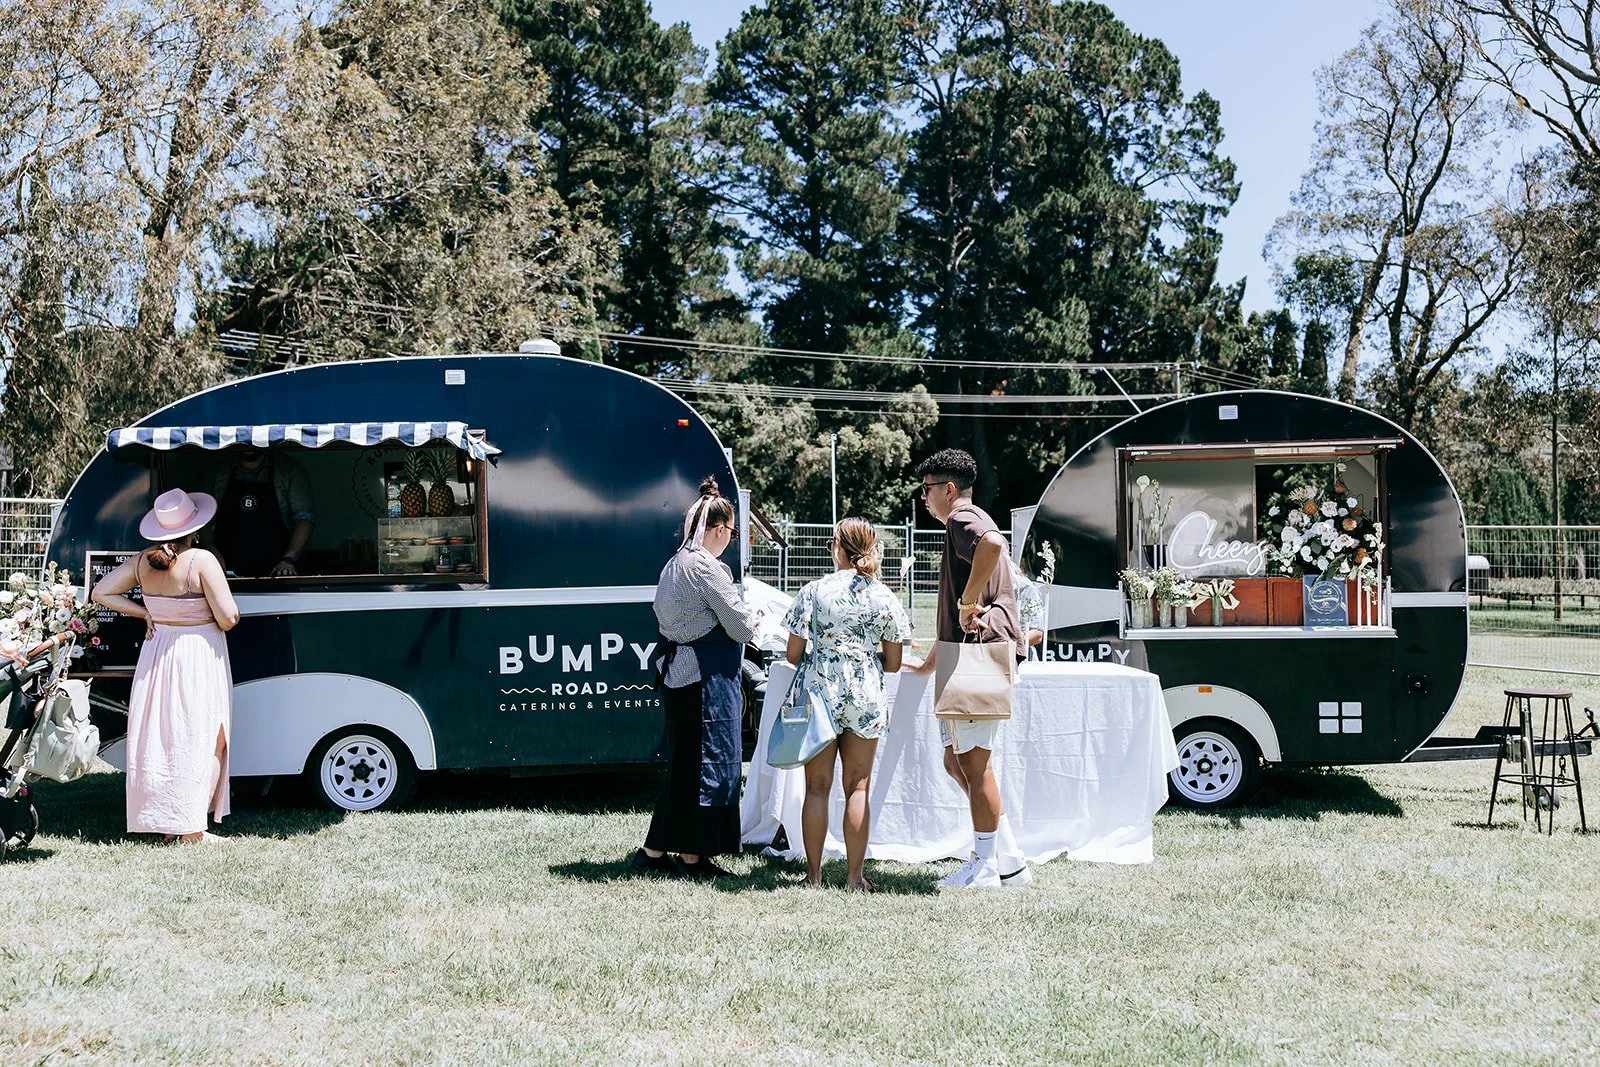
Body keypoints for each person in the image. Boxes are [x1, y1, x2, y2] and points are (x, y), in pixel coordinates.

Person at [908, 448, 1031, 889]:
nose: (923, 498)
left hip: (979, 656)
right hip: (969, 655)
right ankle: (1010, 858)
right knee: (954, 761)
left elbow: (995, 543)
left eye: (926, 490)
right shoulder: (962, 522)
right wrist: (927, 664)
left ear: (949, 489)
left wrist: (967, 603)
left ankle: (984, 865)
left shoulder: (963, 517)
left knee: (974, 765)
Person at [93, 488, 240, 843]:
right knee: (204, 735)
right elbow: (229, 617)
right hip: (198, 652)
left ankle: (167, 825)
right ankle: (191, 829)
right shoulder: (202, 560)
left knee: (162, 737)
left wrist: (147, 612)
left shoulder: (143, 561)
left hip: (158, 651)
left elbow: (101, 592)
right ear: (196, 528)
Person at [632, 477, 757, 880]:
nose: (731, 540)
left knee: (684, 767)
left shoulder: (675, 563)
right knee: (708, 765)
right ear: (720, 529)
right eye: (732, 532)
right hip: (703, 681)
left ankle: (665, 852)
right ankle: (688, 855)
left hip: (676, 675)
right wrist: (751, 620)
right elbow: (739, 627)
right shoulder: (705, 566)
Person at [783, 518, 912, 890]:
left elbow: (793, 654)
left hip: (820, 693)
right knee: (858, 786)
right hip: (865, 693)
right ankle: (855, 877)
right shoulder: (883, 595)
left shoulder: (813, 591)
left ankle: (814, 876)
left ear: (838, 548)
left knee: (817, 787)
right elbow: (894, 662)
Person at [209, 446, 315, 577]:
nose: (248, 446)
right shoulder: (218, 469)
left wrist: (288, 559)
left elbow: (304, 518)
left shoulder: (288, 468)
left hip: (277, 573)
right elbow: (202, 518)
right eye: (244, 441)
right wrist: (212, 555)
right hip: (226, 573)